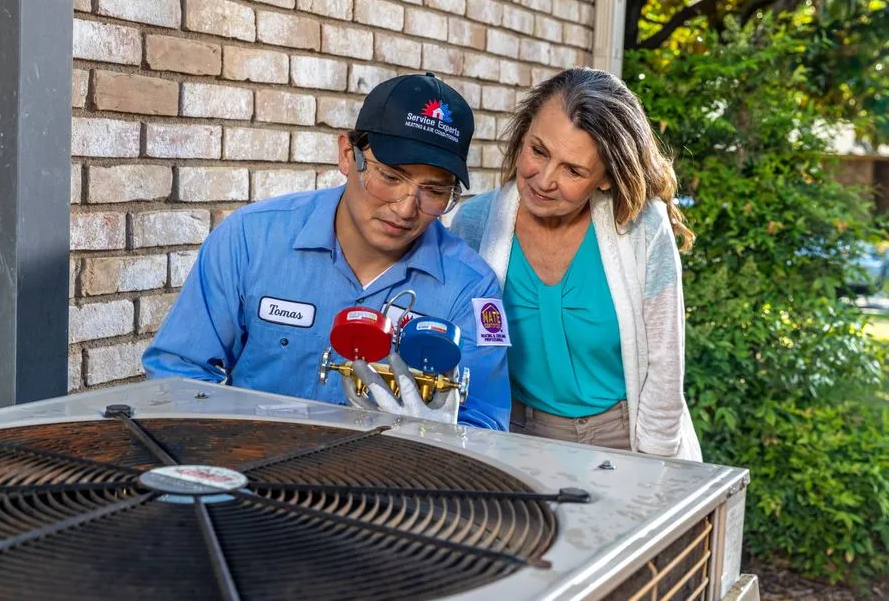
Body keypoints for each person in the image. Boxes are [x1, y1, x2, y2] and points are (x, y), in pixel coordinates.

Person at [142, 73, 512, 431]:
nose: (405, 208)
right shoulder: (250, 240)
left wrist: (438, 437)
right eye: (390, 177)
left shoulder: (470, 288)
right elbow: (178, 372)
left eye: (434, 191)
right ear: (348, 155)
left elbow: (485, 422)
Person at [448, 67, 702, 459]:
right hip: (510, 434)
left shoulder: (641, 229)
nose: (544, 179)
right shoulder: (474, 223)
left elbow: (664, 369)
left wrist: (656, 466)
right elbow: (463, 348)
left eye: (573, 170)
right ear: (524, 134)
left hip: (622, 439)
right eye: (538, 150)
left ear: (605, 178)